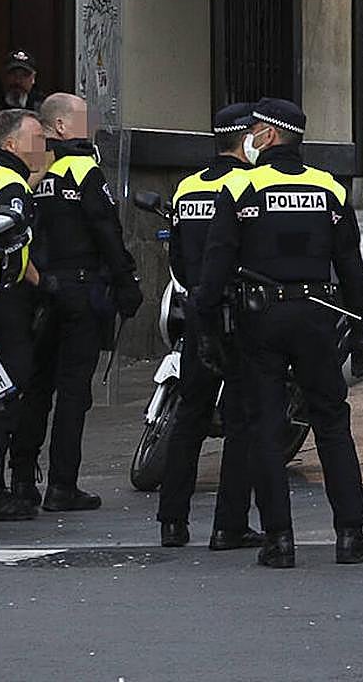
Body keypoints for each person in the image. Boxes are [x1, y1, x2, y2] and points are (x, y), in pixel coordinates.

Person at [195, 98, 363, 568]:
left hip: (261, 319)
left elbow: (215, 266)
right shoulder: (329, 189)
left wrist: (206, 326)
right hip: (317, 316)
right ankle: (351, 534)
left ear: (271, 136)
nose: (250, 136)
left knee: (264, 427)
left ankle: (279, 539)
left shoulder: (241, 189)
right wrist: (358, 320)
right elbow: (351, 267)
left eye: (255, 129)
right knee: (332, 424)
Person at [11, 93, 143, 511]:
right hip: (79, 290)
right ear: (62, 127)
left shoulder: (37, 170)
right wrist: (126, 283)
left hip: (38, 291)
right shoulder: (83, 167)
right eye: (85, 118)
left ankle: (21, 481)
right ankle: (62, 485)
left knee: (36, 389)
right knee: (72, 392)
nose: (92, 125)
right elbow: (105, 228)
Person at [157, 103, 264, 551]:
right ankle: (229, 525)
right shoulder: (250, 184)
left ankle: (172, 522)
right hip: (240, 312)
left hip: (197, 311)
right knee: (240, 419)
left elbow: (178, 256)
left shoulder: (186, 188)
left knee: (190, 414)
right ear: (247, 140)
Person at [0, 108, 48, 520]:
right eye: (37, 137)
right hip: (5, 305)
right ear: (12, 144)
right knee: (3, 396)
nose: (44, 145)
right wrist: (48, 286)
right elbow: (20, 249)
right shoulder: (14, 186)